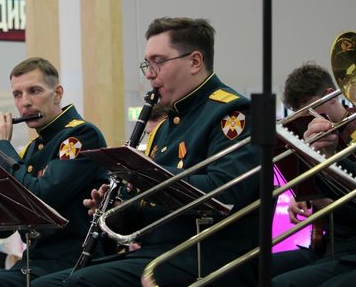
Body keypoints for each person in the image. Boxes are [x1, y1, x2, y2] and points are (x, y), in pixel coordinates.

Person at [32, 17, 260, 286]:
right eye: (147, 64)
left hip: (208, 255)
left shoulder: (235, 112)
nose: (149, 73)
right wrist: (117, 211)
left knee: (79, 284)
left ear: (195, 62)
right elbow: (145, 219)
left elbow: (226, 192)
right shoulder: (164, 127)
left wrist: (148, 177)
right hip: (161, 253)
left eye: (158, 62)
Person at [0, 57, 109, 287]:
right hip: (34, 262)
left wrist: (1, 146)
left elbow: (40, 197)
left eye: (34, 91)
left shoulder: (80, 135)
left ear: (57, 94)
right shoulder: (33, 149)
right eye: (17, 94)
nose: (25, 102)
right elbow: (1, 231)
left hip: (71, 261)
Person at [270, 63, 356, 286]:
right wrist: (305, 196)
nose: (307, 121)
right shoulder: (316, 136)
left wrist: (325, 199)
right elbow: (321, 195)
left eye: (310, 110)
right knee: (253, 269)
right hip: (325, 244)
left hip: (347, 246)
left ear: (331, 96)